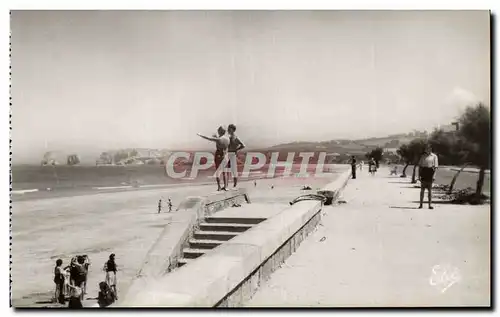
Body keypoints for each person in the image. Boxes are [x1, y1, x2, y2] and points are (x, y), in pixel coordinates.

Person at [197, 126, 230, 191]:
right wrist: (216, 137)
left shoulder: (218, 139)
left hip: (219, 155)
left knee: (218, 172)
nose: (217, 131)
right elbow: (221, 142)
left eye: (218, 130)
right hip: (225, 155)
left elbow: (208, 138)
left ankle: (219, 187)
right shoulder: (227, 139)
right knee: (224, 172)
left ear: (220, 131)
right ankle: (226, 187)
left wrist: (200, 135)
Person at [418, 145, 439, 209]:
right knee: (422, 190)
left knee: (430, 190)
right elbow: (420, 167)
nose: (427, 150)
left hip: (430, 172)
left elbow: (435, 167)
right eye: (426, 149)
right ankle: (421, 205)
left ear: (431, 149)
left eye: (429, 148)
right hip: (424, 172)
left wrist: (434, 176)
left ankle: (430, 205)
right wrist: (419, 176)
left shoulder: (434, 156)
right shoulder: (422, 156)